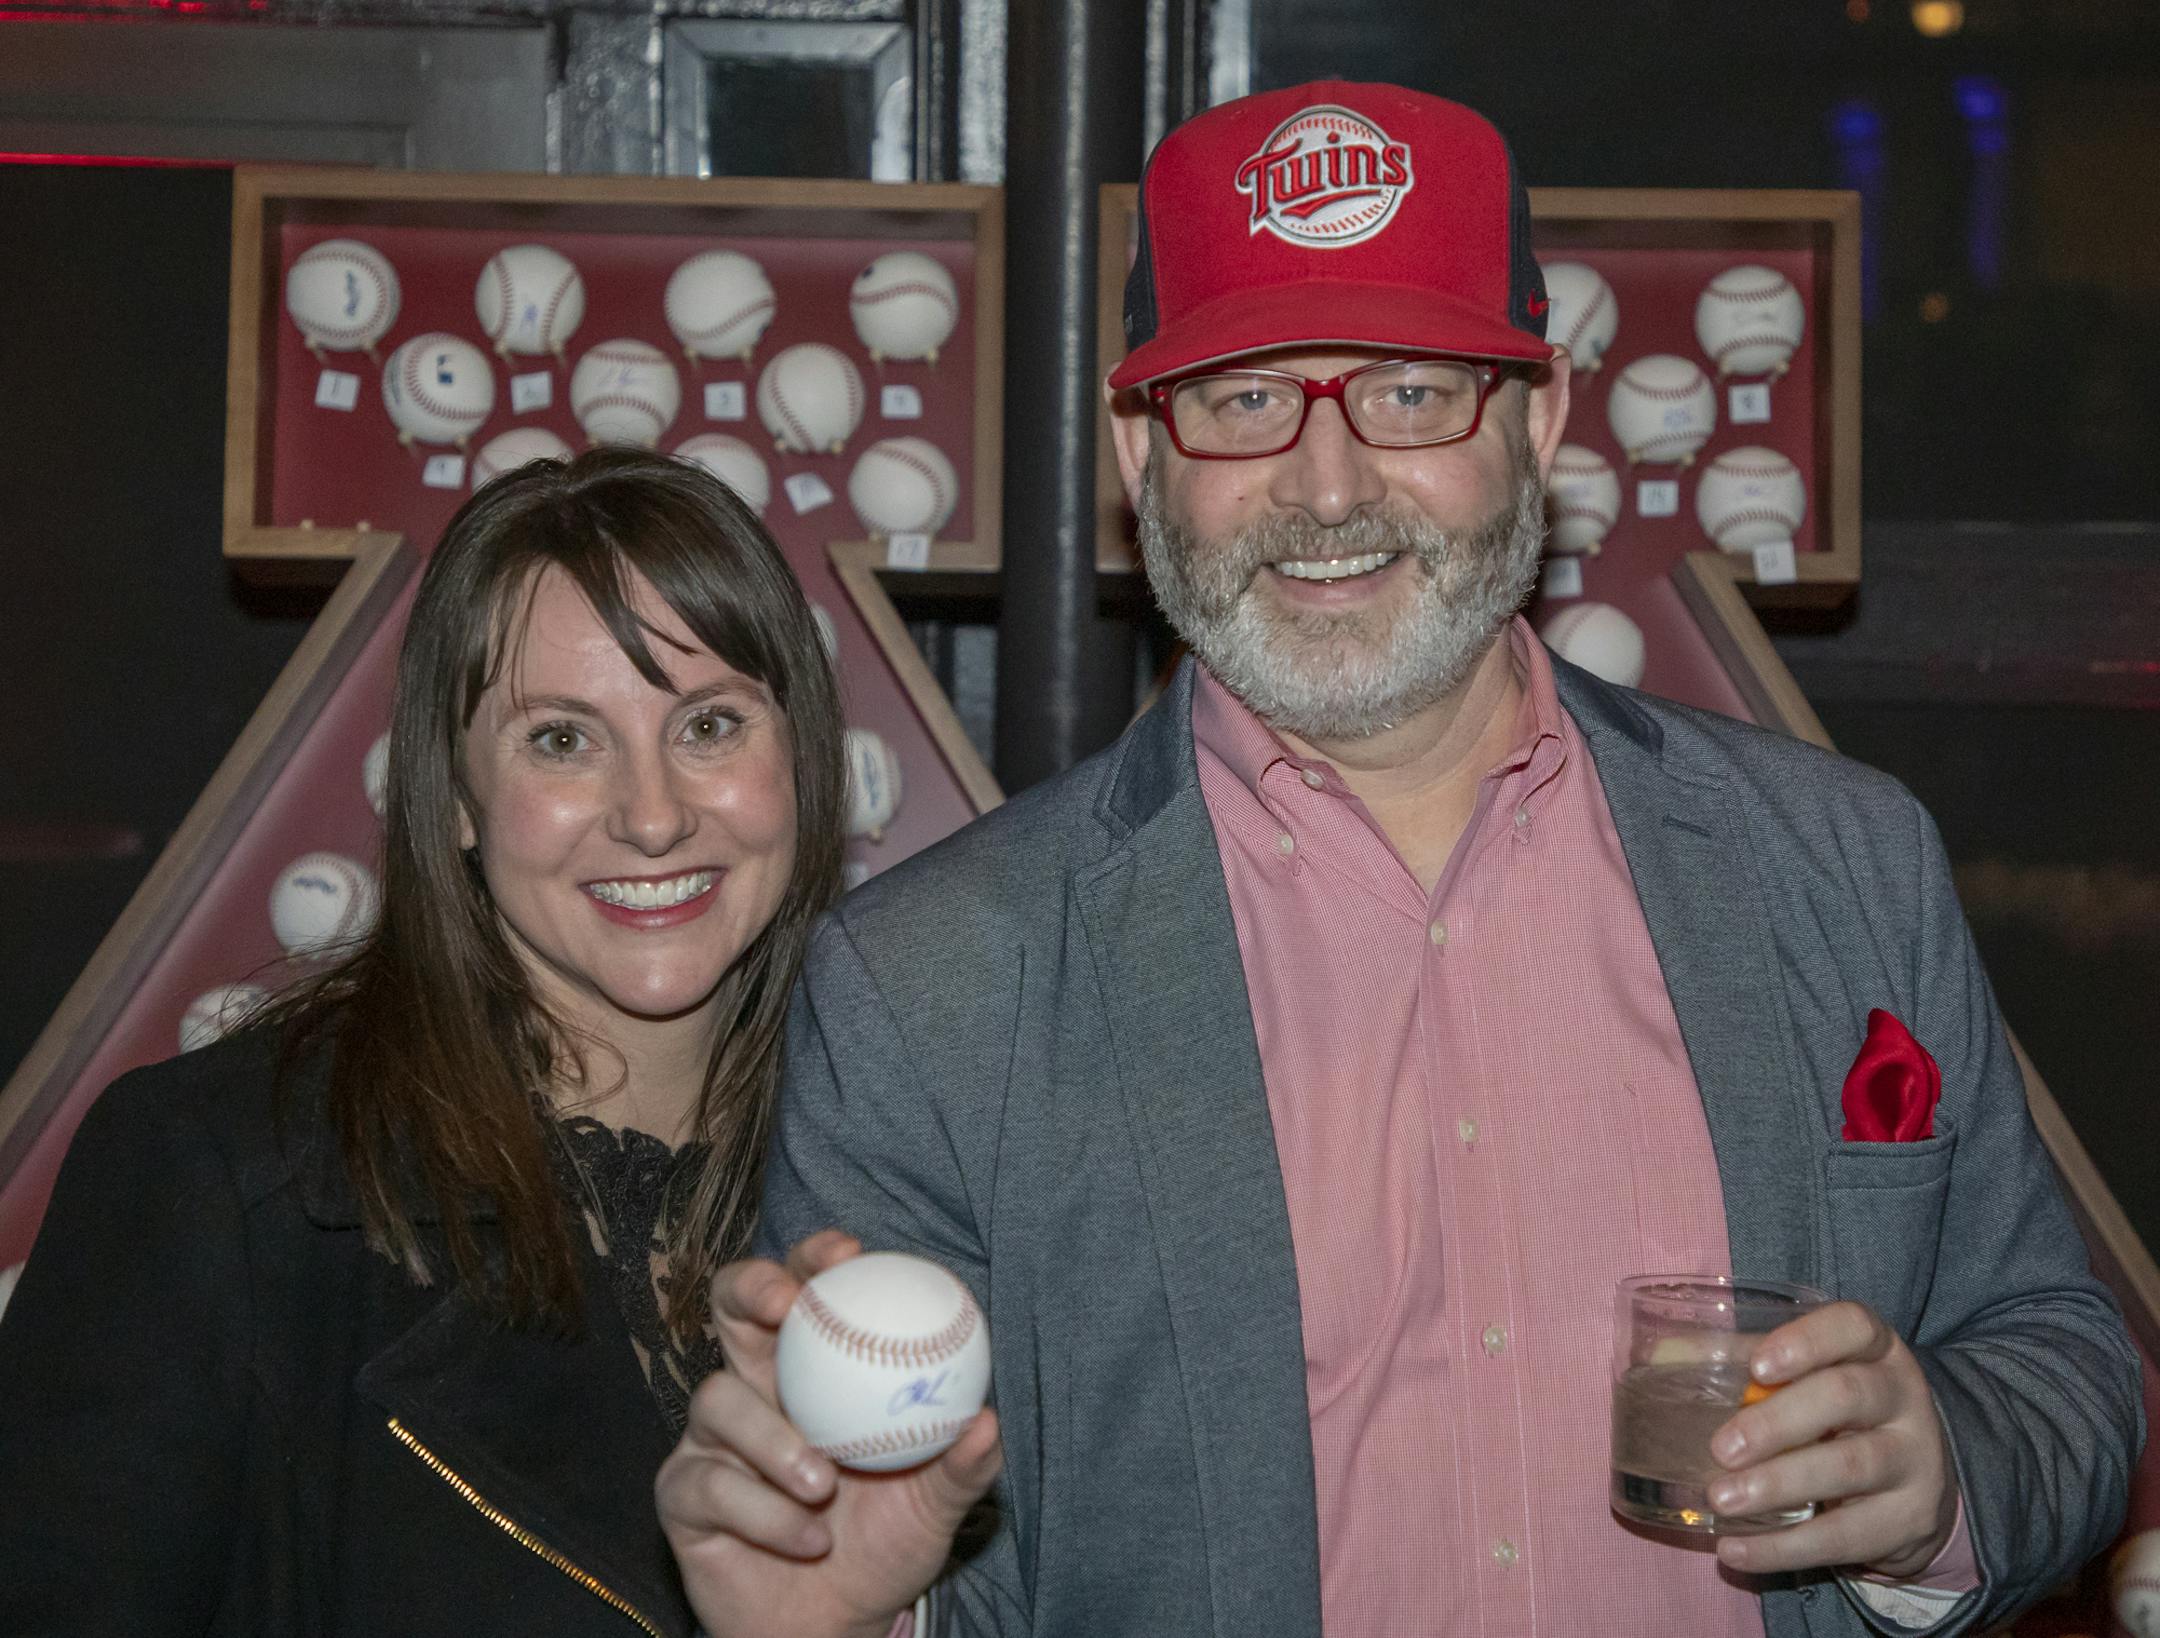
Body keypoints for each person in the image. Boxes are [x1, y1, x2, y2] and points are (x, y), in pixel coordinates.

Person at [657, 83, 2143, 1638]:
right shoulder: (930, 988)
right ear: (1137, 444)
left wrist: (1941, 1475)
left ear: (1541, 415)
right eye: (1243, 396)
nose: (1327, 488)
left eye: (1411, 390)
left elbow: (2053, 1346)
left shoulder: (1840, 859)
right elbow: (938, 1573)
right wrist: (846, 1621)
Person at [0, 447, 845, 1636]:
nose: (653, 814)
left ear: (800, 760)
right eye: (562, 739)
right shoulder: (221, 1180)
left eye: (709, 724)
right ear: (452, 795)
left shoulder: (915, 1179)